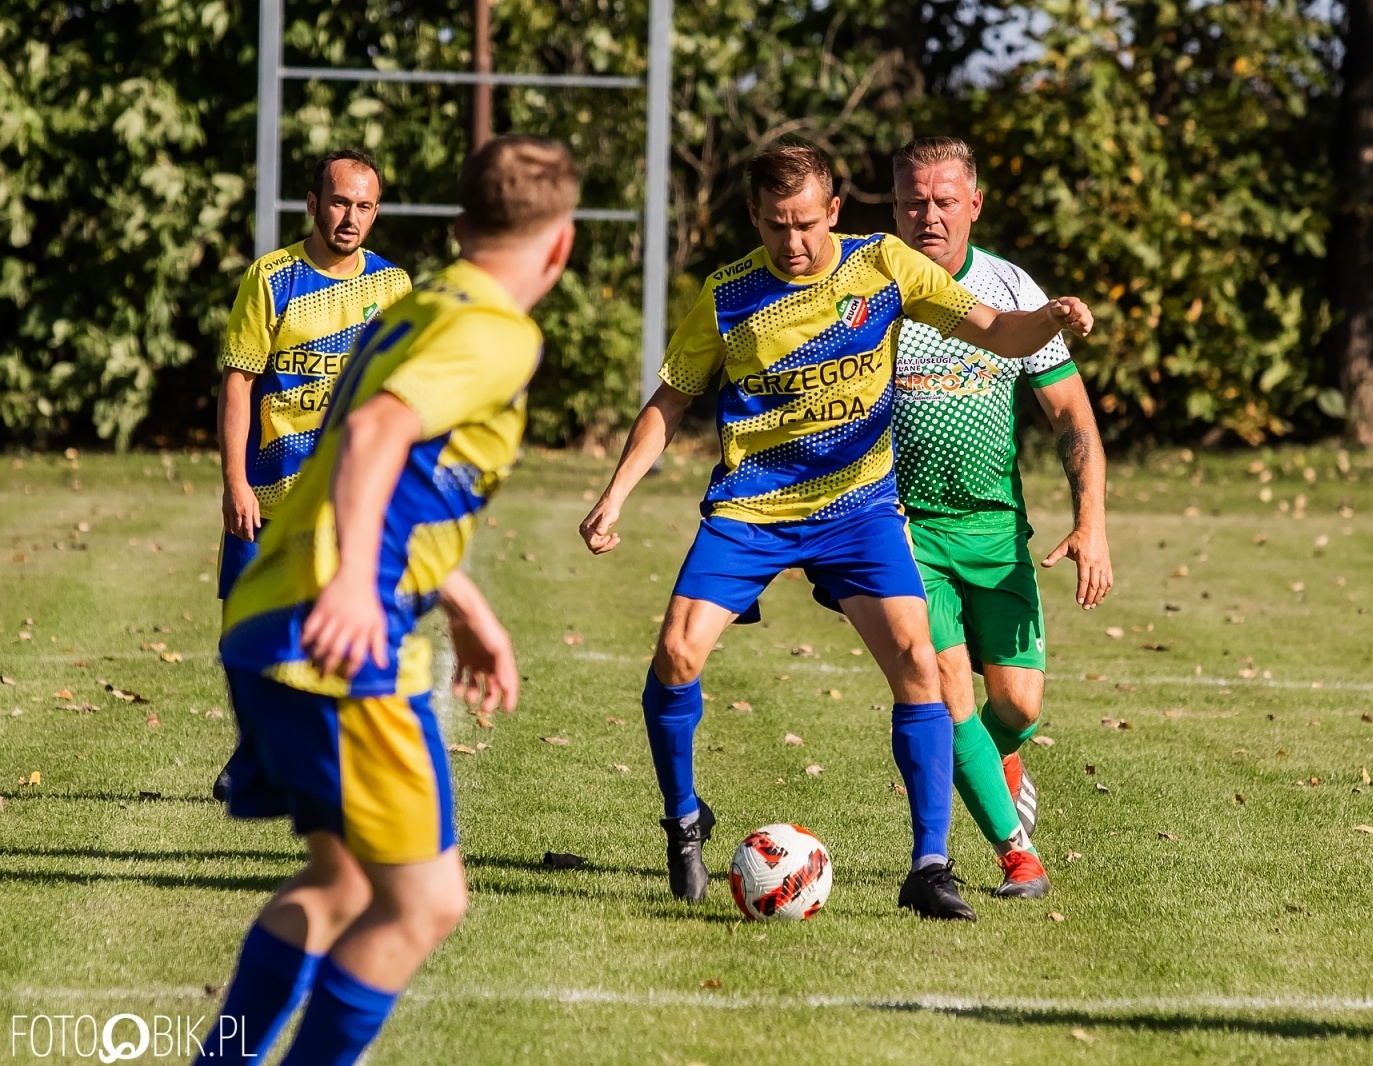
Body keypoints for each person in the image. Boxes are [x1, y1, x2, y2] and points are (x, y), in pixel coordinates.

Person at [578, 141, 1093, 922]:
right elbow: (671, 400)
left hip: (858, 510)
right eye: (776, 225)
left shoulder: (882, 265)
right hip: (752, 509)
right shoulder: (728, 294)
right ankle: (683, 820)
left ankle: (930, 866)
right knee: (677, 653)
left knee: (920, 664)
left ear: (834, 212)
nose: (793, 241)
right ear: (754, 217)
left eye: (807, 224)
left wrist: (1048, 320)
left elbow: (997, 331)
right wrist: (614, 495)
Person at [196, 135, 577, 1066]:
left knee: (340, 888)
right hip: (336, 636)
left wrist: (464, 604)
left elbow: (378, 467)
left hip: (272, 616)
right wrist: (357, 587)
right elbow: (371, 436)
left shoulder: (417, 306)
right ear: (561, 245)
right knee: (423, 902)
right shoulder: (497, 332)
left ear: (459, 225)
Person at [888, 136, 1113, 899]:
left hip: (996, 533)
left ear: (974, 205)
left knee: (1016, 705)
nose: (929, 215)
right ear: (896, 207)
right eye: (914, 201)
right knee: (946, 686)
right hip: (908, 532)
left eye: (944, 201)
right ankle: (1018, 855)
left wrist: (1091, 523)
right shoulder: (876, 287)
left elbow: (1071, 415)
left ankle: (996, 757)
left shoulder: (1010, 287)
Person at [211, 149, 411, 803]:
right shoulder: (272, 277)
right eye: (340, 202)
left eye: (364, 206)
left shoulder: (392, 286)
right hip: (268, 493)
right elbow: (238, 382)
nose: (351, 217)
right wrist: (235, 482)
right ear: (313, 204)